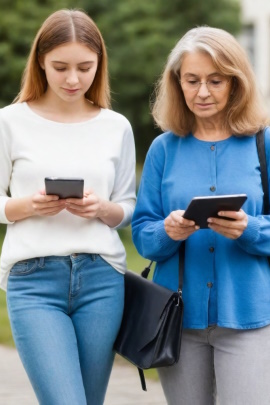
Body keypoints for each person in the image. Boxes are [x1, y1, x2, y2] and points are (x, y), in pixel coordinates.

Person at [0, 9, 136, 405]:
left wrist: (100, 209)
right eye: (60, 67)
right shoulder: (9, 122)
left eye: (85, 67)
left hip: (102, 280)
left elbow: (127, 206)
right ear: (40, 62)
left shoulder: (116, 126)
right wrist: (28, 206)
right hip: (34, 281)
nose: (73, 79)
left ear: (100, 65)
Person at [132, 26, 270, 405]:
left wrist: (250, 229)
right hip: (179, 320)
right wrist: (168, 231)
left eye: (215, 80)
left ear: (235, 83)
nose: (203, 92)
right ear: (177, 83)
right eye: (192, 80)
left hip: (249, 317)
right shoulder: (164, 148)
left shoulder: (263, 142)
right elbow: (142, 233)